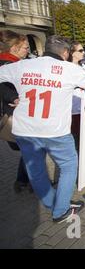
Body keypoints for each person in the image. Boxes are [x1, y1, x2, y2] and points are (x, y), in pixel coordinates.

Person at [0, 35, 85, 223]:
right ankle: (61, 210)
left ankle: (52, 204)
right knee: (69, 166)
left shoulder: (23, 65)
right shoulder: (70, 70)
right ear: (65, 52)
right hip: (55, 131)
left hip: (25, 130)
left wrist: (12, 97)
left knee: (36, 171)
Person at [0, 30, 31, 193]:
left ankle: (21, 181)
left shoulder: (13, 63)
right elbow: (4, 88)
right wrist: (15, 99)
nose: (28, 50)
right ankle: (34, 182)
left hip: (18, 114)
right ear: (14, 48)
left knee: (28, 149)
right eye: (25, 48)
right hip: (14, 115)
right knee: (32, 149)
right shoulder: (7, 64)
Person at [69, 41, 85, 152]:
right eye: (81, 50)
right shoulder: (67, 67)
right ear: (72, 53)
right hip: (74, 109)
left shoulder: (82, 65)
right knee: (76, 139)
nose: (84, 52)